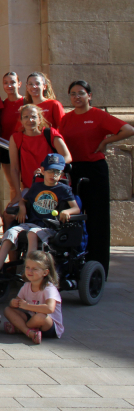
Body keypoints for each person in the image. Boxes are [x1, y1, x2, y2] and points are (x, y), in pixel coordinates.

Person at [58, 80, 134, 278]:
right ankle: (74, 265)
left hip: (95, 170)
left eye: (81, 93)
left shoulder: (98, 116)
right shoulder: (66, 119)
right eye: (73, 93)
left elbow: (128, 129)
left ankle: (98, 269)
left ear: (89, 96)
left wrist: (106, 141)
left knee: (97, 219)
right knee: (73, 218)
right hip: (73, 170)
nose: (77, 97)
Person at [3, 250, 63, 344]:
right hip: (32, 318)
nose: (30, 271)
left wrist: (27, 306)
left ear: (45, 272)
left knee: (40, 316)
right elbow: (15, 304)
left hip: (49, 325)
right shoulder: (26, 286)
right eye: (27, 267)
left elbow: (50, 309)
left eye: (35, 269)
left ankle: (21, 328)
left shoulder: (49, 288)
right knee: (7, 310)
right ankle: (29, 332)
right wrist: (13, 302)